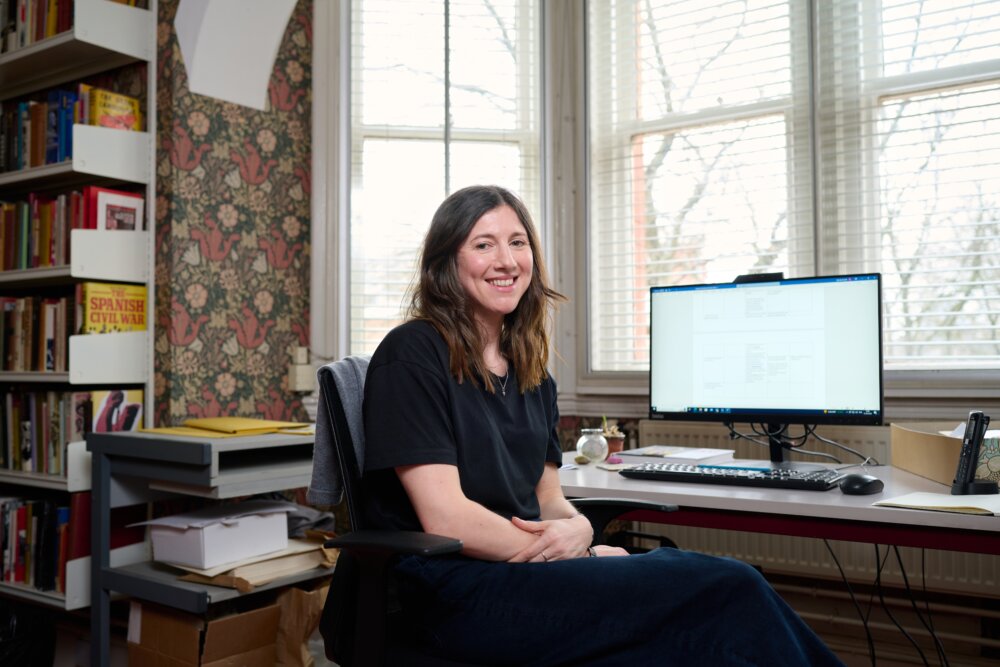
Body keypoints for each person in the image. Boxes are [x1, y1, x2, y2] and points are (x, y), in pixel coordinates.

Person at [359, 184, 844, 666]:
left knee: (706, 638)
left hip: (527, 574)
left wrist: (579, 529)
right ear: (447, 263)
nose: (506, 260)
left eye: (518, 242)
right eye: (483, 244)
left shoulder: (531, 373)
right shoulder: (413, 354)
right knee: (727, 587)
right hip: (453, 590)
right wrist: (581, 555)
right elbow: (447, 519)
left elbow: (548, 498)